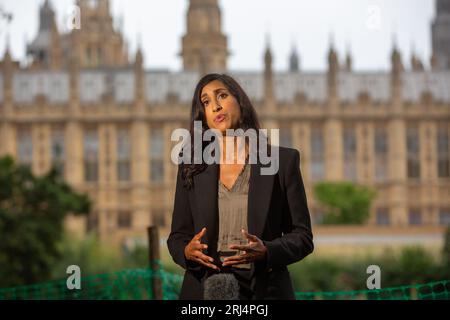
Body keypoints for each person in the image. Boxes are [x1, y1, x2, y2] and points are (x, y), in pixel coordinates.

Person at [167, 73, 314, 300]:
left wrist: (267, 251)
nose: (215, 106)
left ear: (240, 101)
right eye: (206, 102)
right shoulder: (192, 168)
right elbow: (177, 237)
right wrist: (187, 251)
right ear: (203, 117)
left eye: (222, 96)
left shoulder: (282, 162)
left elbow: (302, 237)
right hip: (206, 290)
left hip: (264, 291)